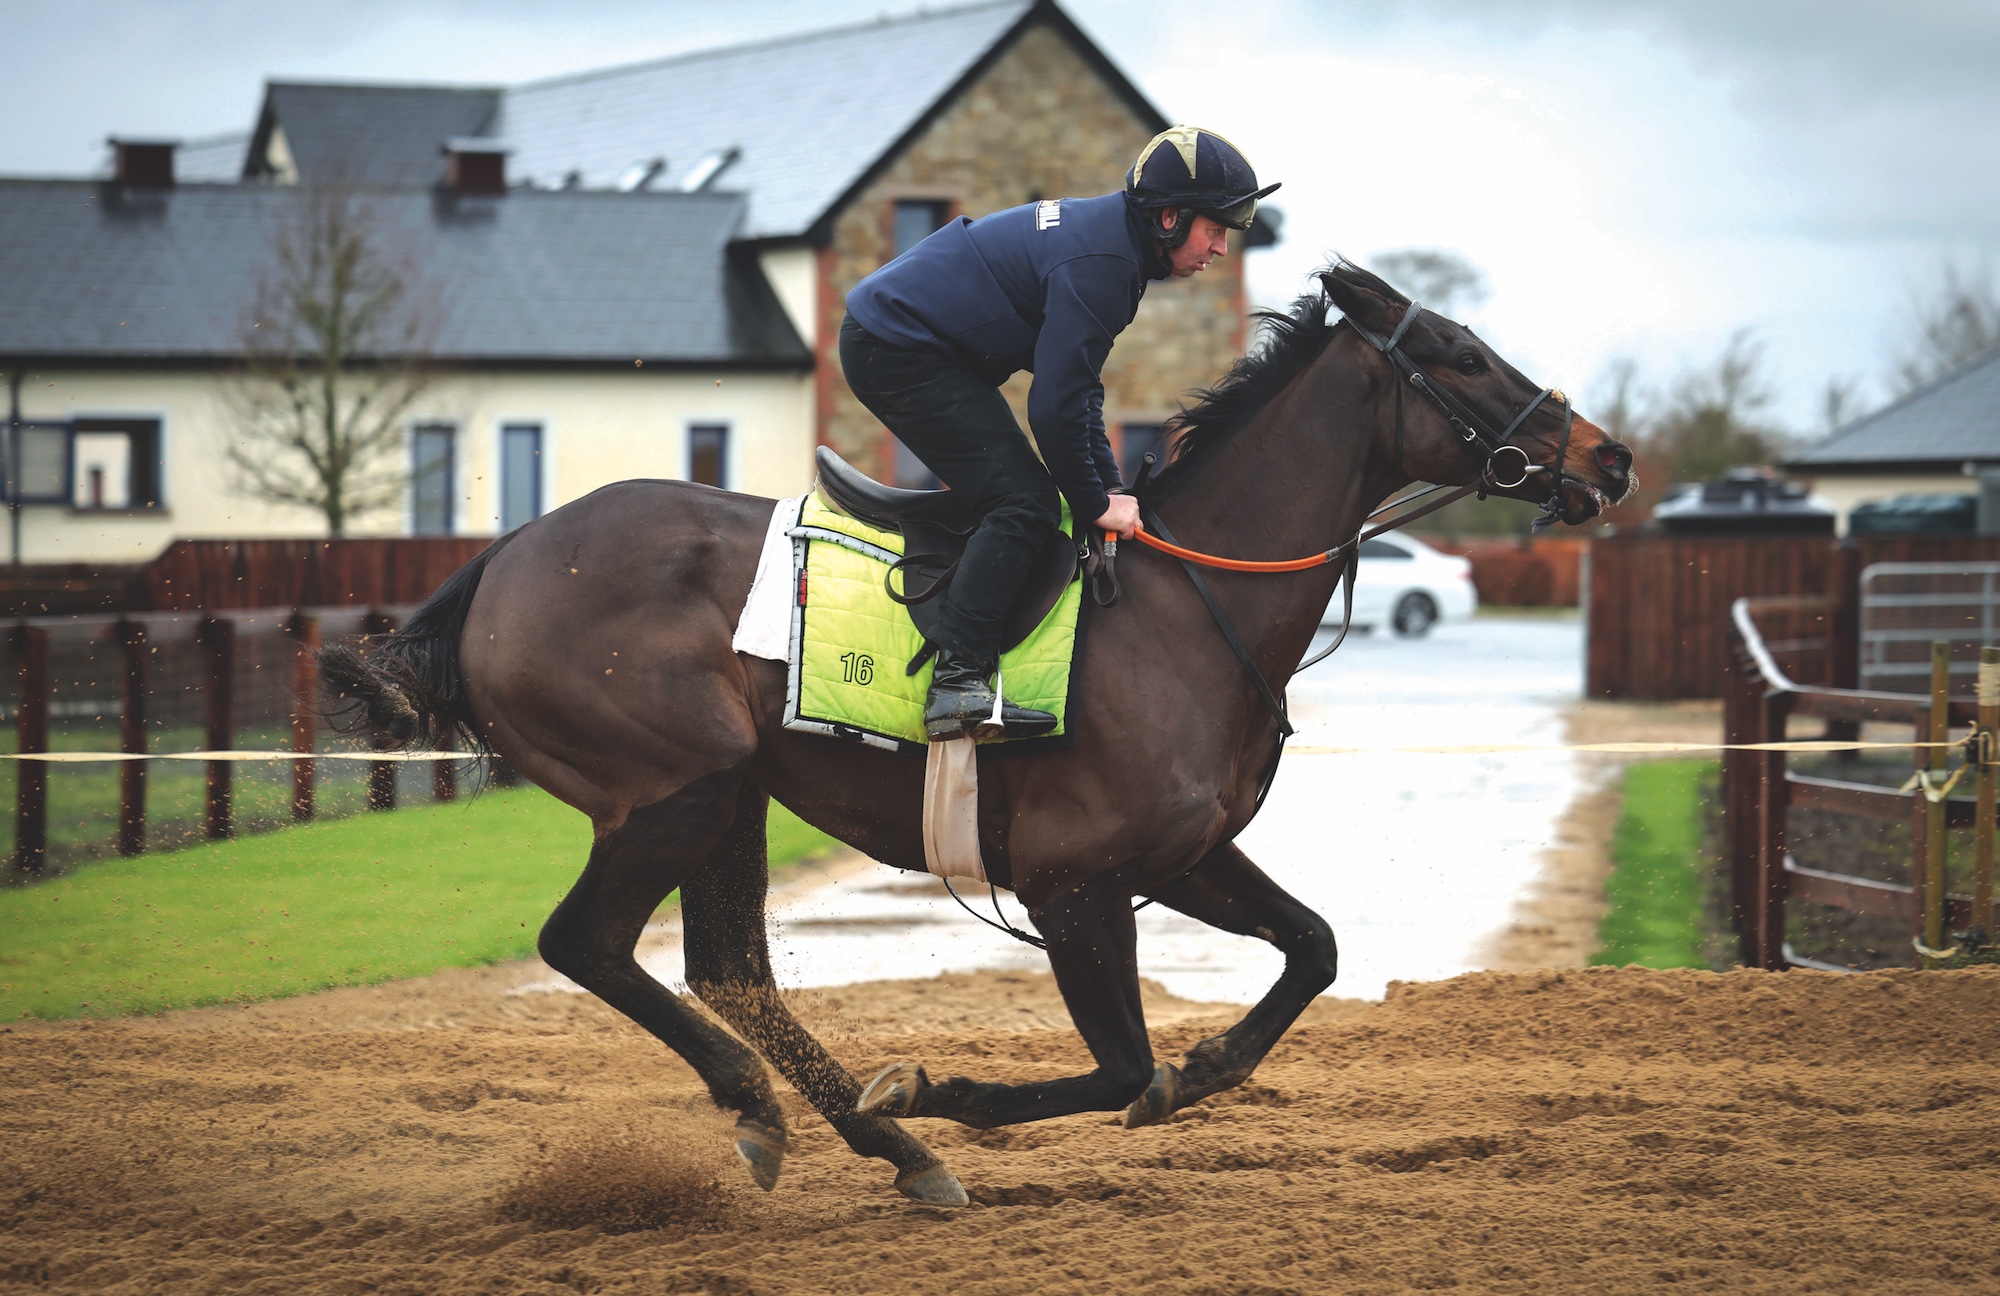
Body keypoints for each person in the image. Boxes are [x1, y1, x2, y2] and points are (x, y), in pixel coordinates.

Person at [840, 126, 1279, 741]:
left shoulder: (1113, 247)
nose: (1222, 250)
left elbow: (1076, 393)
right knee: (1024, 503)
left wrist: (1111, 490)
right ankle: (957, 685)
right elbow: (1052, 408)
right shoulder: (1105, 265)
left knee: (1043, 494)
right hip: (896, 349)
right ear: (1171, 217)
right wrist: (1097, 503)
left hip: (913, 343)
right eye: (1217, 229)